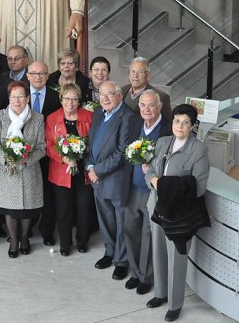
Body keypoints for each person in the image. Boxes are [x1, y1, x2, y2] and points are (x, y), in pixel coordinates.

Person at [145, 104, 210, 322]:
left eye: (185, 122)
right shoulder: (163, 142)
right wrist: (154, 181)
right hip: (156, 206)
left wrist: (162, 185)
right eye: (176, 121)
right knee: (159, 252)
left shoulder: (198, 150)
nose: (179, 126)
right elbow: (151, 170)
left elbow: (198, 187)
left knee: (176, 258)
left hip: (179, 213)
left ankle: (174, 304)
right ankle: (160, 294)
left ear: (192, 126)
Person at [0, 81, 47, 258]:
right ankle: (14, 241)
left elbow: (42, 147)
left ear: (28, 98)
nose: (17, 100)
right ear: (9, 98)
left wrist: (25, 161)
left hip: (29, 170)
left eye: (21, 96)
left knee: (28, 208)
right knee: (11, 209)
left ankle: (25, 237)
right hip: (7, 171)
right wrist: (6, 159)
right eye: (14, 96)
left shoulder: (37, 118)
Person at [87, 80, 135, 280]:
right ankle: (109, 252)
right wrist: (90, 166)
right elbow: (91, 143)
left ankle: (122, 261)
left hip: (115, 178)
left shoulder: (128, 117)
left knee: (120, 220)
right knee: (105, 218)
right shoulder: (99, 112)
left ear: (119, 95)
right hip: (96, 177)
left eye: (109, 94)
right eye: (101, 94)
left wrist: (98, 170)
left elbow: (123, 152)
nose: (104, 98)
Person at [124, 89, 171, 296]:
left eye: (151, 105)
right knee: (131, 230)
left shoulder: (168, 129)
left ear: (159, 107)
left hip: (153, 191)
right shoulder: (135, 123)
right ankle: (134, 272)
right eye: (143, 105)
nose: (147, 109)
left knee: (148, 234)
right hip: (132, 187)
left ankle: (146, 276)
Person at [45, 83, 93, 256]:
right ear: (61, 99)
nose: (70, 103)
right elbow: (49, 146)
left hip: (83, 172)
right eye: (67, 99)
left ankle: (82, 240)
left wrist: (83, 153)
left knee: (83, 208)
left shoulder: (89, 117)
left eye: (74, 99)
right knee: (63, 209)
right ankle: (65, 243)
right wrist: (64, 158)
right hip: (60, 171)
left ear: (79, 100)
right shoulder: (52, 118)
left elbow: (94, 144)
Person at [27, 60, 61, 244]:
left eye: (42, 74)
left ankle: (47, 231)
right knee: (29, 190)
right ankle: (27, 227)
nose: (38, 77)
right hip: (26, 153)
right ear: (28, 76)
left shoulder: (57, 98)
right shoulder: (20, 94)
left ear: (48, 76)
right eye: (34, 74)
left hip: (49, 153)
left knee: (48, 194)